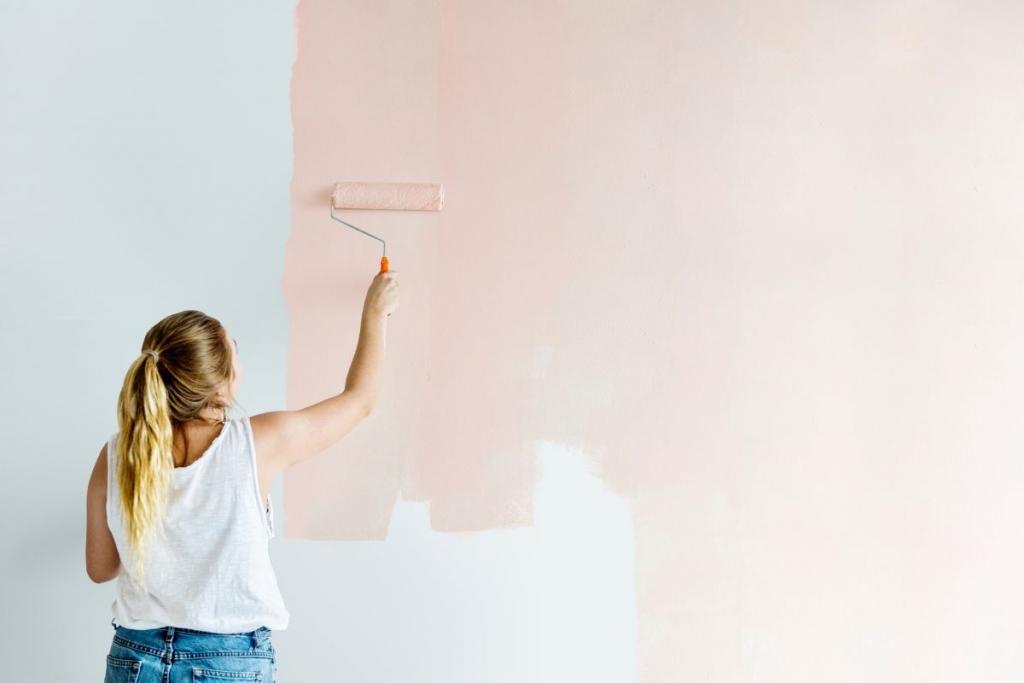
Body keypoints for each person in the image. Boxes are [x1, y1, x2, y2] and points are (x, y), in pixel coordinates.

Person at [85, 270, 399, 682]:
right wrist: (375, 314)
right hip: (226, 661)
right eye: (236, 348)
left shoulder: (115, 453)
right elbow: (359, 401)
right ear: (220, 385)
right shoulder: (257, 443)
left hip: (134, 657)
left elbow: (100, 567)